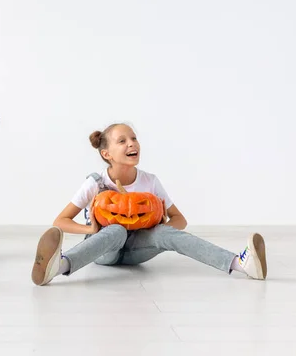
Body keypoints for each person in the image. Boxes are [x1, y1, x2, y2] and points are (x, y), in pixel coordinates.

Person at [31, 123, 266, 286]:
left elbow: (180, 220)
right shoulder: (95, 182)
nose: (132, 143)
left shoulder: (149, 182)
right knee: (117, 229)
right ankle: (59, 265)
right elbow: (60, 221)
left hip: (137, 250)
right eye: (122, 141)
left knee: (163, 232)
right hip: (105, 249)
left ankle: (241, 264)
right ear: (106, 153)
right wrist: (90, 230)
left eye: (134, 138)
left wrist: (159, 223)